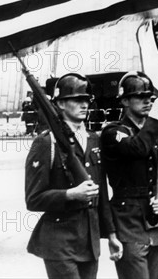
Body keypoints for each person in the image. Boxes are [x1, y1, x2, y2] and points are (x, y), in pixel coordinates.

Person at [25, 73, 121, 279]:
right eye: (77, 100)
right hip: (60, 241)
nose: (84, 105)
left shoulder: (94, 140)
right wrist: (70, 194)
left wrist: (111, 234)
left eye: (86, 100)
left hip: (89, 240)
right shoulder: (46, 143)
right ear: (60, 104)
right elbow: (33, 199)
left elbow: (101, 193)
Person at [101, 71, 158, 279]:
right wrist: (155, 118)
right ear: (124, 100)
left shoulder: (157, 132)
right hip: (128, 218)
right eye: (139, 97)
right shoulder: (113, 132)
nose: (147, 101)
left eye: (149, 98)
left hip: (154, 219)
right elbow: (137, 148)